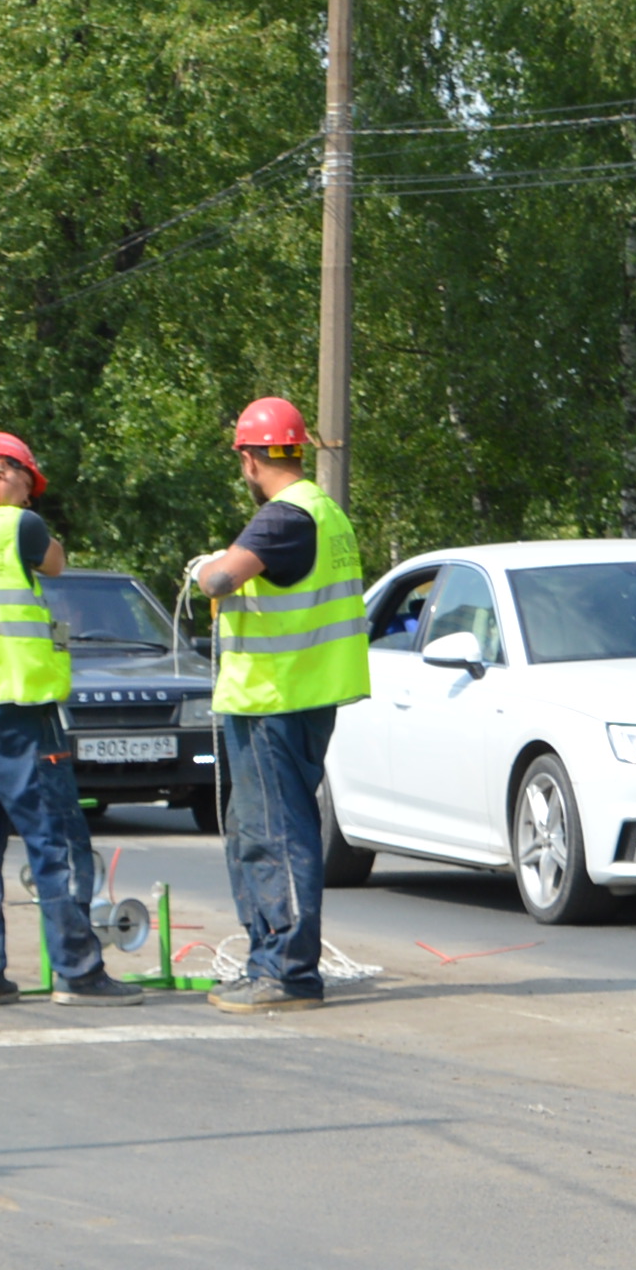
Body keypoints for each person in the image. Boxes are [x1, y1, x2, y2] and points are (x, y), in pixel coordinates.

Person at [0, 430, 134, 1008]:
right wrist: (26, 522)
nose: (29, 498)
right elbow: (55, 563)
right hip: (17, 704)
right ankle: (79, 972)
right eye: (26, 485)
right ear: (1, 472)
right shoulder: (18, 527)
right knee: (57, 840)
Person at [181, 397, 367, 1011]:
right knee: (254, 830)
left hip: (273, 700)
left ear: (249, 460)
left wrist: (206, 565)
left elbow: (219, 580)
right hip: (296, 697)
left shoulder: (283, 518)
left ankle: (288, 972)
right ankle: (267, 960)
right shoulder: (324, 511)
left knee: (274, 835)